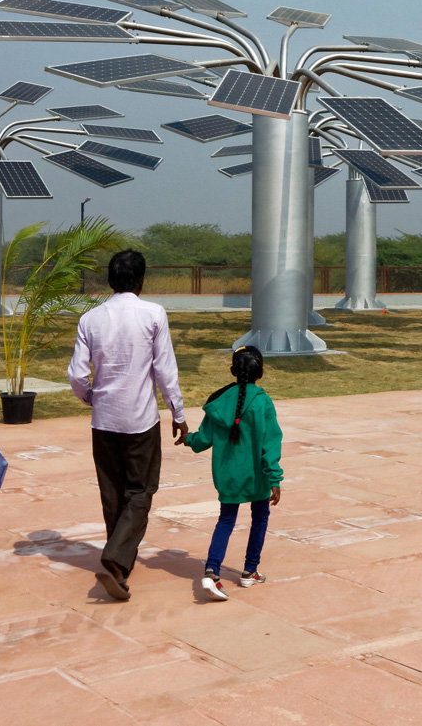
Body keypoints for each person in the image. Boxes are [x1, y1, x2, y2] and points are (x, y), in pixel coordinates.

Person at [67, 249, 188, 602]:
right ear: (141, 280)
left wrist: (90, 397)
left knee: (112, 493)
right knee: (141, 491)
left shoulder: (90, 319)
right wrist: (177, 413)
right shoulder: (153, 314)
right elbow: (164, 369)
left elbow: (76, 374)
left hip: (103, 420)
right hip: (140, 420)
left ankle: (118, 563)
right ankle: (116, 559)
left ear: (110, 280)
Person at [178, 346, 284, 600]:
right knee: (260, 516)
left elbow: (203, 439)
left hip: (227, 475)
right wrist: (275, 478)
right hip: (257, 475)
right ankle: (250, 571)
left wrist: (187, 438)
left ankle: (212, 571)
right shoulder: (262, 401)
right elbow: (271, 443)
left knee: (226, 520)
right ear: (261, 372)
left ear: (232, 371)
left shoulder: (219, 403)